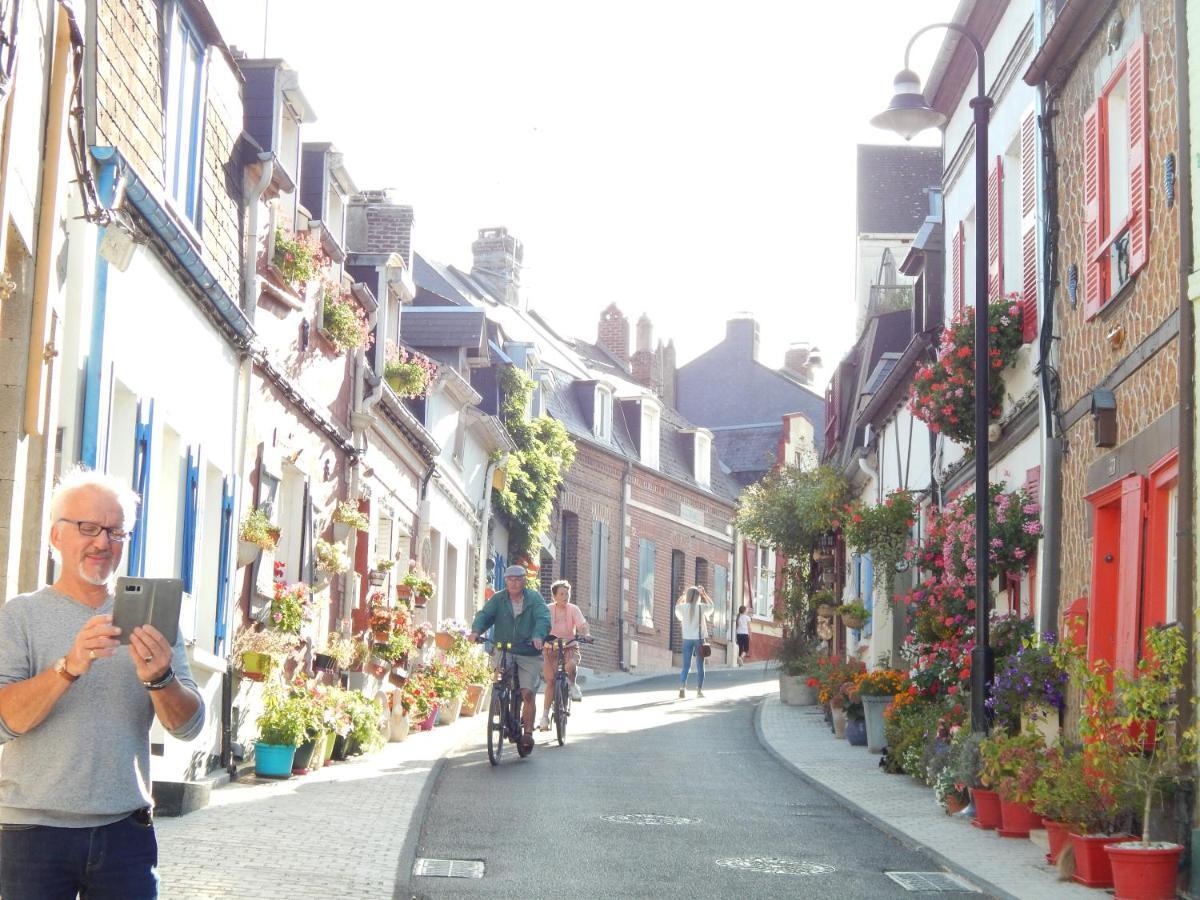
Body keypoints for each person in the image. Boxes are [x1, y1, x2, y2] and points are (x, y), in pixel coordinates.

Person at [0, 467, 205, 899]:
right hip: (30, 833)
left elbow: (189, 726)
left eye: (115, 531)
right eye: (88, 528)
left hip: (124, 834)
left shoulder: (152, 618)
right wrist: (69, 667)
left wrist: (161, 680)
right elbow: (4, 721)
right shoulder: (19, 615)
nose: (102, 542)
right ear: (56, 536)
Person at [468, 564, 550, 755]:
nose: (513, 583)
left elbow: (543, 618)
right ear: (505, 581)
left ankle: (528, 733)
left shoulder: (534, 599)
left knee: (527, 693)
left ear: (524, 581)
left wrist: (538, 635)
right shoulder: (499, 599)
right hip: (503, 648)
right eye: (510, 580)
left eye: (517, 579)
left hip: (528, 651)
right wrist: (476, 631)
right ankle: (500, 704)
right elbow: (485, 615)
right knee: (500, 679)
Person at [538, 580, 588, 731]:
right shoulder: (547, 609)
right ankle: (545, 717)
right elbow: (540, 626)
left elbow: (582, 625)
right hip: (550, 648)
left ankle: (572, 685)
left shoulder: (573, 609)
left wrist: (586, 634)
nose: (565, 596)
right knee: (551, 681)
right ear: (554, 596)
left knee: (570, 665)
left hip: (569, 646)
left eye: (567, 594)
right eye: (561, 594)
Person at [675, 585, 713, 699]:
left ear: (687, 596)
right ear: (698, 596)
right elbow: (712, 606)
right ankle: (699, 691)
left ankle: (682, 687)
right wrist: (704, 594)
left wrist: (682, 596)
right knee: (700, 666)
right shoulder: (701, 607)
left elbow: (676, 607)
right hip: (699, 640)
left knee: (685, 666)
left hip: (687, 639)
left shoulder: (683, 607)